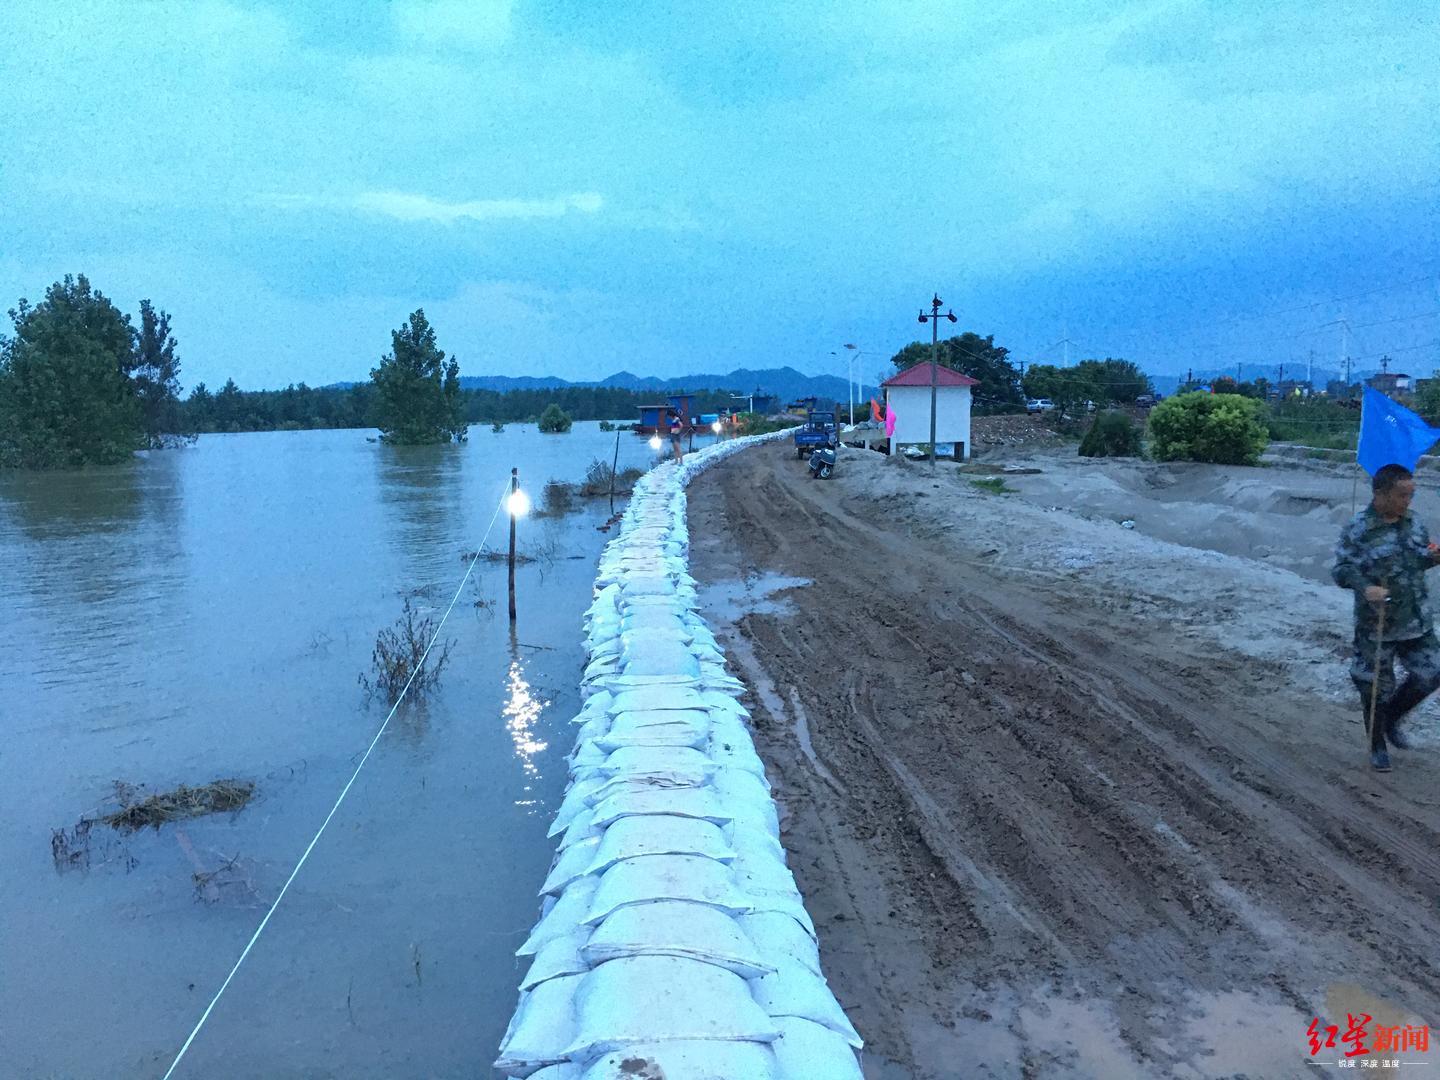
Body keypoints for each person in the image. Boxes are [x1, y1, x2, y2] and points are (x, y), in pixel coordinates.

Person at [1332, 463, 1440, 771]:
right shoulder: (1359, 528)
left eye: (1411, 494)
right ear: (1381, 494)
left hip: (1415, 619)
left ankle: (1391, 718)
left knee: (1433, 672)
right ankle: (1377, 742)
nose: (1409, 500)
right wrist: (1365, 588)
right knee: (1376, 685)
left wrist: (1433, 559)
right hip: (1377, 622)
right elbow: (1341, 570)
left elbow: (1417, 561)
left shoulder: (1414, 523)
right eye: (1403, 494)